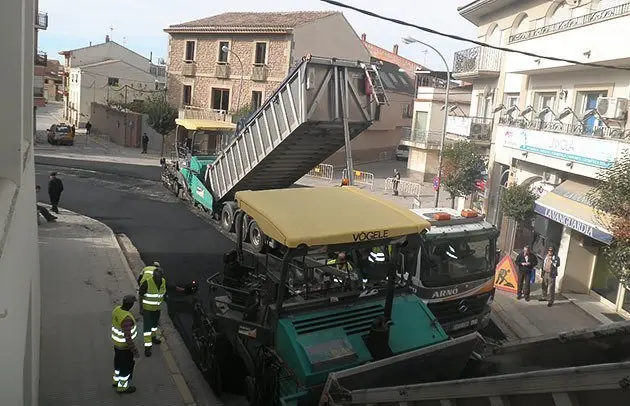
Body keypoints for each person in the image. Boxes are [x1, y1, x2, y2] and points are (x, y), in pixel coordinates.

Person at [111, 295, 139, 394]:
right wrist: (135, 351)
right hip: (125, 348)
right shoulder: (126, 318)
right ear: (130, 304)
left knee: (118, 364)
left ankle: (115, 381)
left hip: (117, 345)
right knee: (125, 367)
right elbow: (128, 338)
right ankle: (122, 387)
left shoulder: (117, 310)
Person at [138, 268, 166, 357]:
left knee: (154, 325)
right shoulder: (147, 282)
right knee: (147, 328)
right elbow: (141, 295)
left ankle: (154, 338)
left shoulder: (163, 282)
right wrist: (141, 308)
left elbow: (165, 291)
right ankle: (147, 348)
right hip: (148, 310)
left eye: (159, 277)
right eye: (156, 277)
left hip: (157, 309)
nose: (157, 279)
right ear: (153, 276)